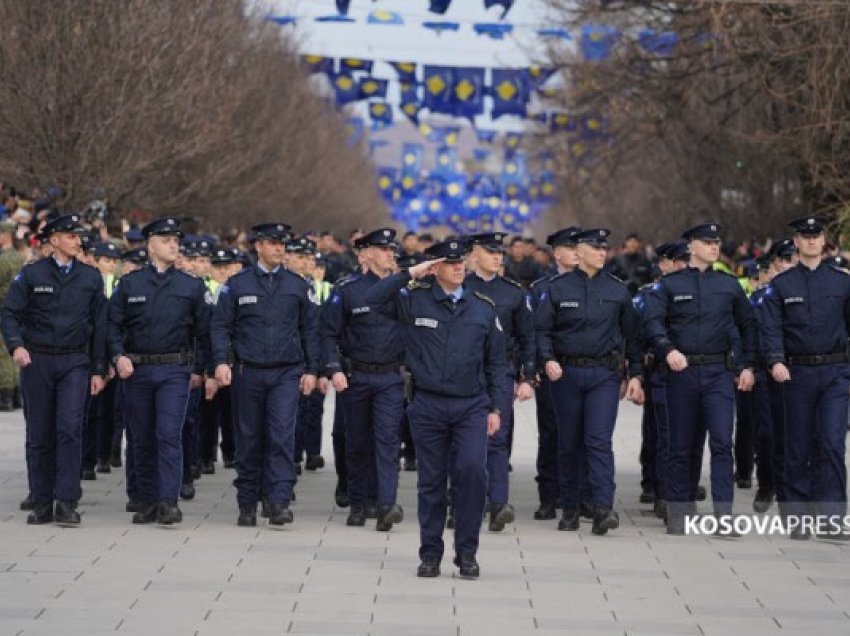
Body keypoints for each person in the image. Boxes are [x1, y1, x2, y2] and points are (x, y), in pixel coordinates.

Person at [364, 239, 506, 579]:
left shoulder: (482, 307)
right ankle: (430, 553)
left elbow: (496, 363)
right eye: (450, 262)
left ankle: (467, 552)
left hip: (471, 405)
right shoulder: (415, 300)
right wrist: (410, 273)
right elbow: (372, 299)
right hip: (427, 404)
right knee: (431, 482)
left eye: (462, 262)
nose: (459, 268)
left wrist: (497, 408)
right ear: (434, 266)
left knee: (472, 473)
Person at [643, 222, 756, 535]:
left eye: (716, 242)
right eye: (707, 242)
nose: (714, 247)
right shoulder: (670, 285)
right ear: (691, 246)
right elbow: (653, 322)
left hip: (719, 373)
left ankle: (724, 515)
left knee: (722, 443)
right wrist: (667, 350)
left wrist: (747, 365)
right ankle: (679, 511)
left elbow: (748, 326)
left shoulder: (729, 285)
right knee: (680, 445)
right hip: (682, 373)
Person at [210, 223, 320, 527]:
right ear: (258, 246)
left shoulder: (297, 285)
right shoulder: (238, 284)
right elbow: (220, 327)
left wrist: (312, 369)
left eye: (283, 244)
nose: (279, 248)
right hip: (248, 372)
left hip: (285, 373)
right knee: (249, 438)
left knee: (282, 437)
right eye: (273, 243)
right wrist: (221, 362)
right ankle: (247, 501)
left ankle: (279, 501)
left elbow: (310, 330)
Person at [536, 228, 644, 535]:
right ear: (578, 251)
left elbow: (632, 336)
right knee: (568, 442)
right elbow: (541, 330)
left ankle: (602, 508)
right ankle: (569, 509)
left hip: (604, 376)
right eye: (593, 247)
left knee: (598, 441)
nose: (601, 252)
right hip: (566, 375)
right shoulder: (557, 288)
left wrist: (634, 374)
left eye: (603, 247)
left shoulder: (617, 290)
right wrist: (547, 359)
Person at [1, 213, 107, 525]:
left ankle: (68, 500)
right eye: (71, 236)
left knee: (70, 429)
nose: (78, 241)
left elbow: (100, 325)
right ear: (54, 240)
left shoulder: (90, 277)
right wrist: (16, 345)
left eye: (79, 236)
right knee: (40, 432)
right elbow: (9, 313)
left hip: (75, 361)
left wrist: (99, 368)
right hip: (38, 361)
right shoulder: (32, 275)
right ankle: (42, 500)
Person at [107, 216, 210, 526]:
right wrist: (117, 356)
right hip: (137, 370)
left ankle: (168, 501)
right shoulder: (130, 284)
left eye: (176, 241)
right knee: (141, 437)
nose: (173, 245)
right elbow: (112, 325)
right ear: (150, 244)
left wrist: (200, 369)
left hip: (173, 370)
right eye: (166, 241)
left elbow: (204, 330)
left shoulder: (191, 285)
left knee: (168, 435)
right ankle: (147, 500)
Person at [760, 216, 850, 539]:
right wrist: (775, 361)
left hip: (835, 373)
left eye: (816, 236)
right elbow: (770, 330)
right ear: (796, 242)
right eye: (805, 237)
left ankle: (832, 517)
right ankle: (796, 516)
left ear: (823, 241)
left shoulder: (842, 282)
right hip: (796, 373)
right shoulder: (781, 286)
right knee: (797, 445)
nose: (812, 241)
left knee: (831, 442)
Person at [321, 228, 407, 531]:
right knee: (356, 441)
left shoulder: (402, 291)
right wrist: (334, 369)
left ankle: (385, 504)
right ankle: (358, 502)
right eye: (383, 249)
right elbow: (328, 333)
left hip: (390, 378)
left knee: (387, 440)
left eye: (391, 249)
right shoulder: (347, 289)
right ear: (365, 253)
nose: (390, 254)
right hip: (355, 376)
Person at [464, 232, 536, 532]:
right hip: (463, 373)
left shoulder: (513, 293)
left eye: (500, 253)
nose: (497, 258)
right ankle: (462, 503)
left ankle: (498, 504)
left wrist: (528, 377)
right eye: (490, 252)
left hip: (500, 372)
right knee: (463, 441)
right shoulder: (460, 287)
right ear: (474, 254)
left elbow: (527, 337)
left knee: (498, 438)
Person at [531, 227, 581, 521]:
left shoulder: (592, 283)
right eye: (570, 248)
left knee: (582, 435)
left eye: (578, 247)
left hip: (581, 367)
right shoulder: (541, 288)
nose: (576, 252)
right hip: (551, 370)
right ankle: (549, 496)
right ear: (557, 253)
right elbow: (535, 331)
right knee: (551, 433)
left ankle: (579, 493)